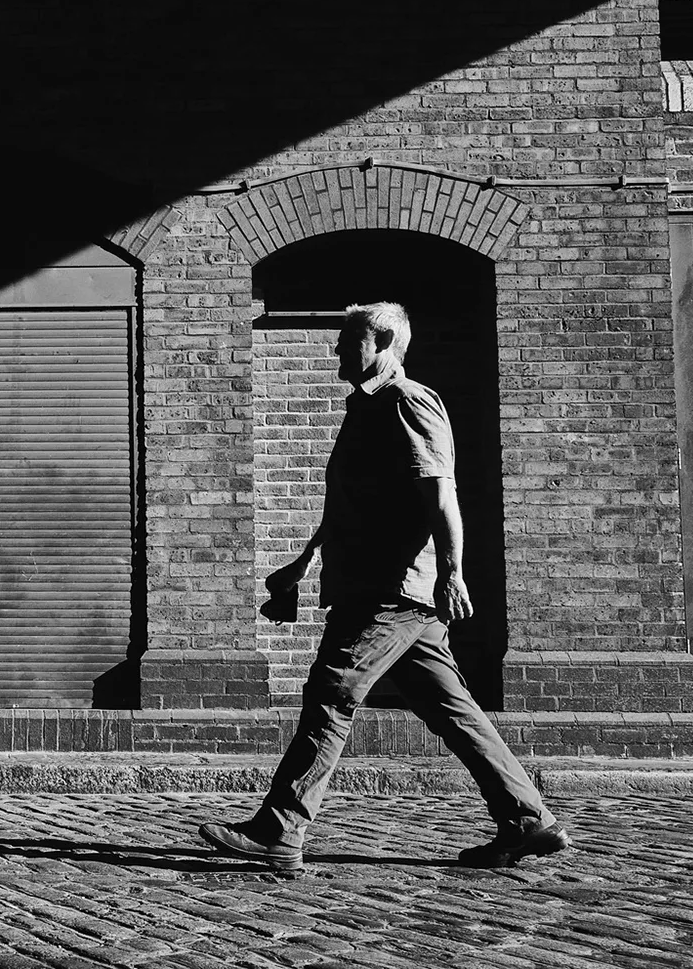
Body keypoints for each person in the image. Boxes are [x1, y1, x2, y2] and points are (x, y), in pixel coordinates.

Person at [198, 301, 567, 873]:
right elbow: (354, 506)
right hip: (386, 594)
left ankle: (280, 829)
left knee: (330, 697)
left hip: (387, 594)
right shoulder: (366, 410)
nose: (338, 351)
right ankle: (526, 821)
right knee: (453, 711)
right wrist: (300, 564)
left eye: (349, 341)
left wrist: (453, 571)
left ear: (386, 339)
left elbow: (441, 495)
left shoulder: (409, 402)